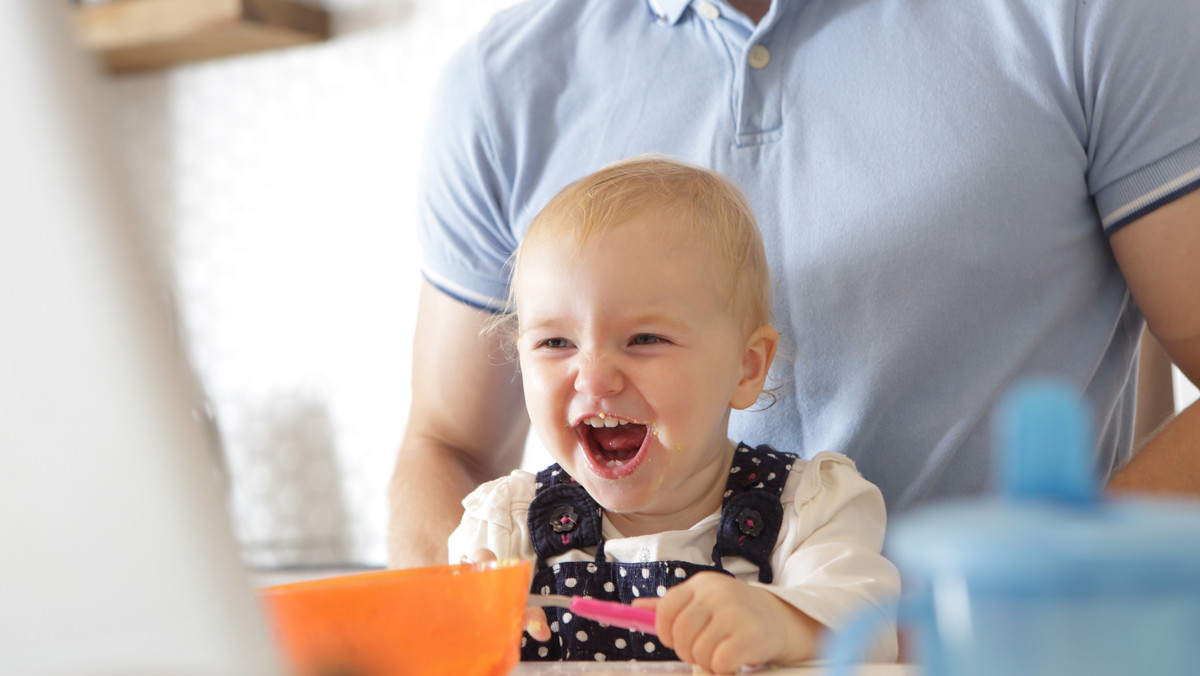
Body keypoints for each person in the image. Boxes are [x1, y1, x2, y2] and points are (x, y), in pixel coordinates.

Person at [390, 0, 1200, 570]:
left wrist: (1026, 600)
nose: (595, 369)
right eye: (559, 341)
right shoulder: (499, 85)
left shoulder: (1102, 13)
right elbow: (445, 447)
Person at [447, 156, 899, 672]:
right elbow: (424, 646)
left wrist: (779, 620)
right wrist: (462, 623)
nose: (594, 377)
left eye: (645, 339)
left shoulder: (806, 511)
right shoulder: (506, 530)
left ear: (746, 368)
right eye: (555, 342)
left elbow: (871, 631)